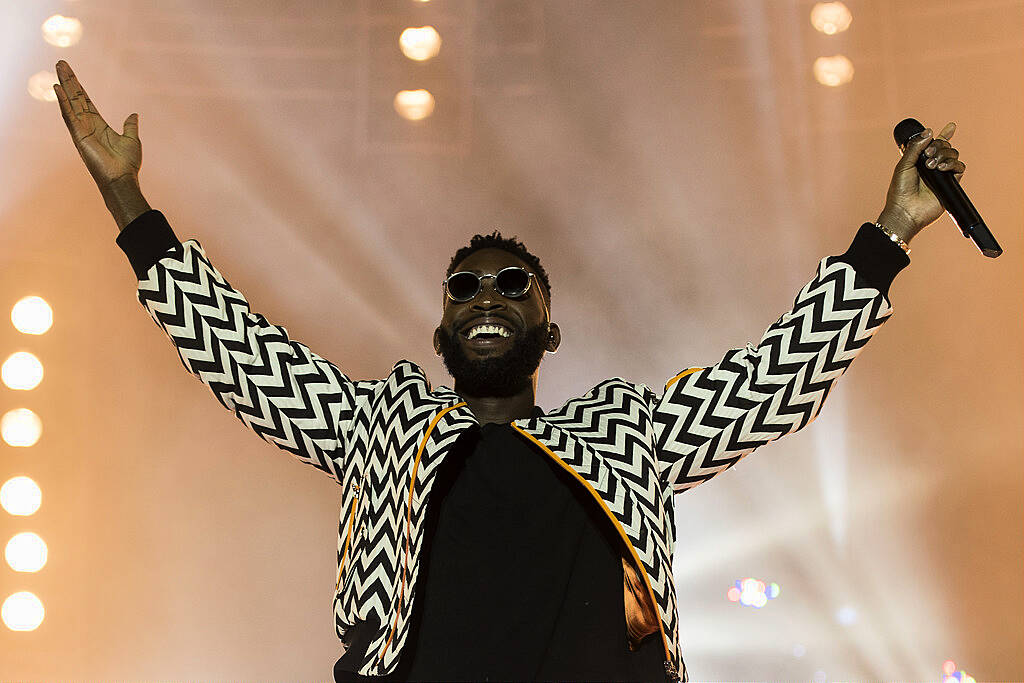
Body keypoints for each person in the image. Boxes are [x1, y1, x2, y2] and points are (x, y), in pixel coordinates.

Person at [54, 58, 966, 682]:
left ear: (549, 329)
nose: (486, 294)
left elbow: (776, 377)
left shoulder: (624, 435)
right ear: (441, 330)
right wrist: (127, 198)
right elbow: (243, 356)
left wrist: (886, 239)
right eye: (464, 285)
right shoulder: (384, 428)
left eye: (512, 283)